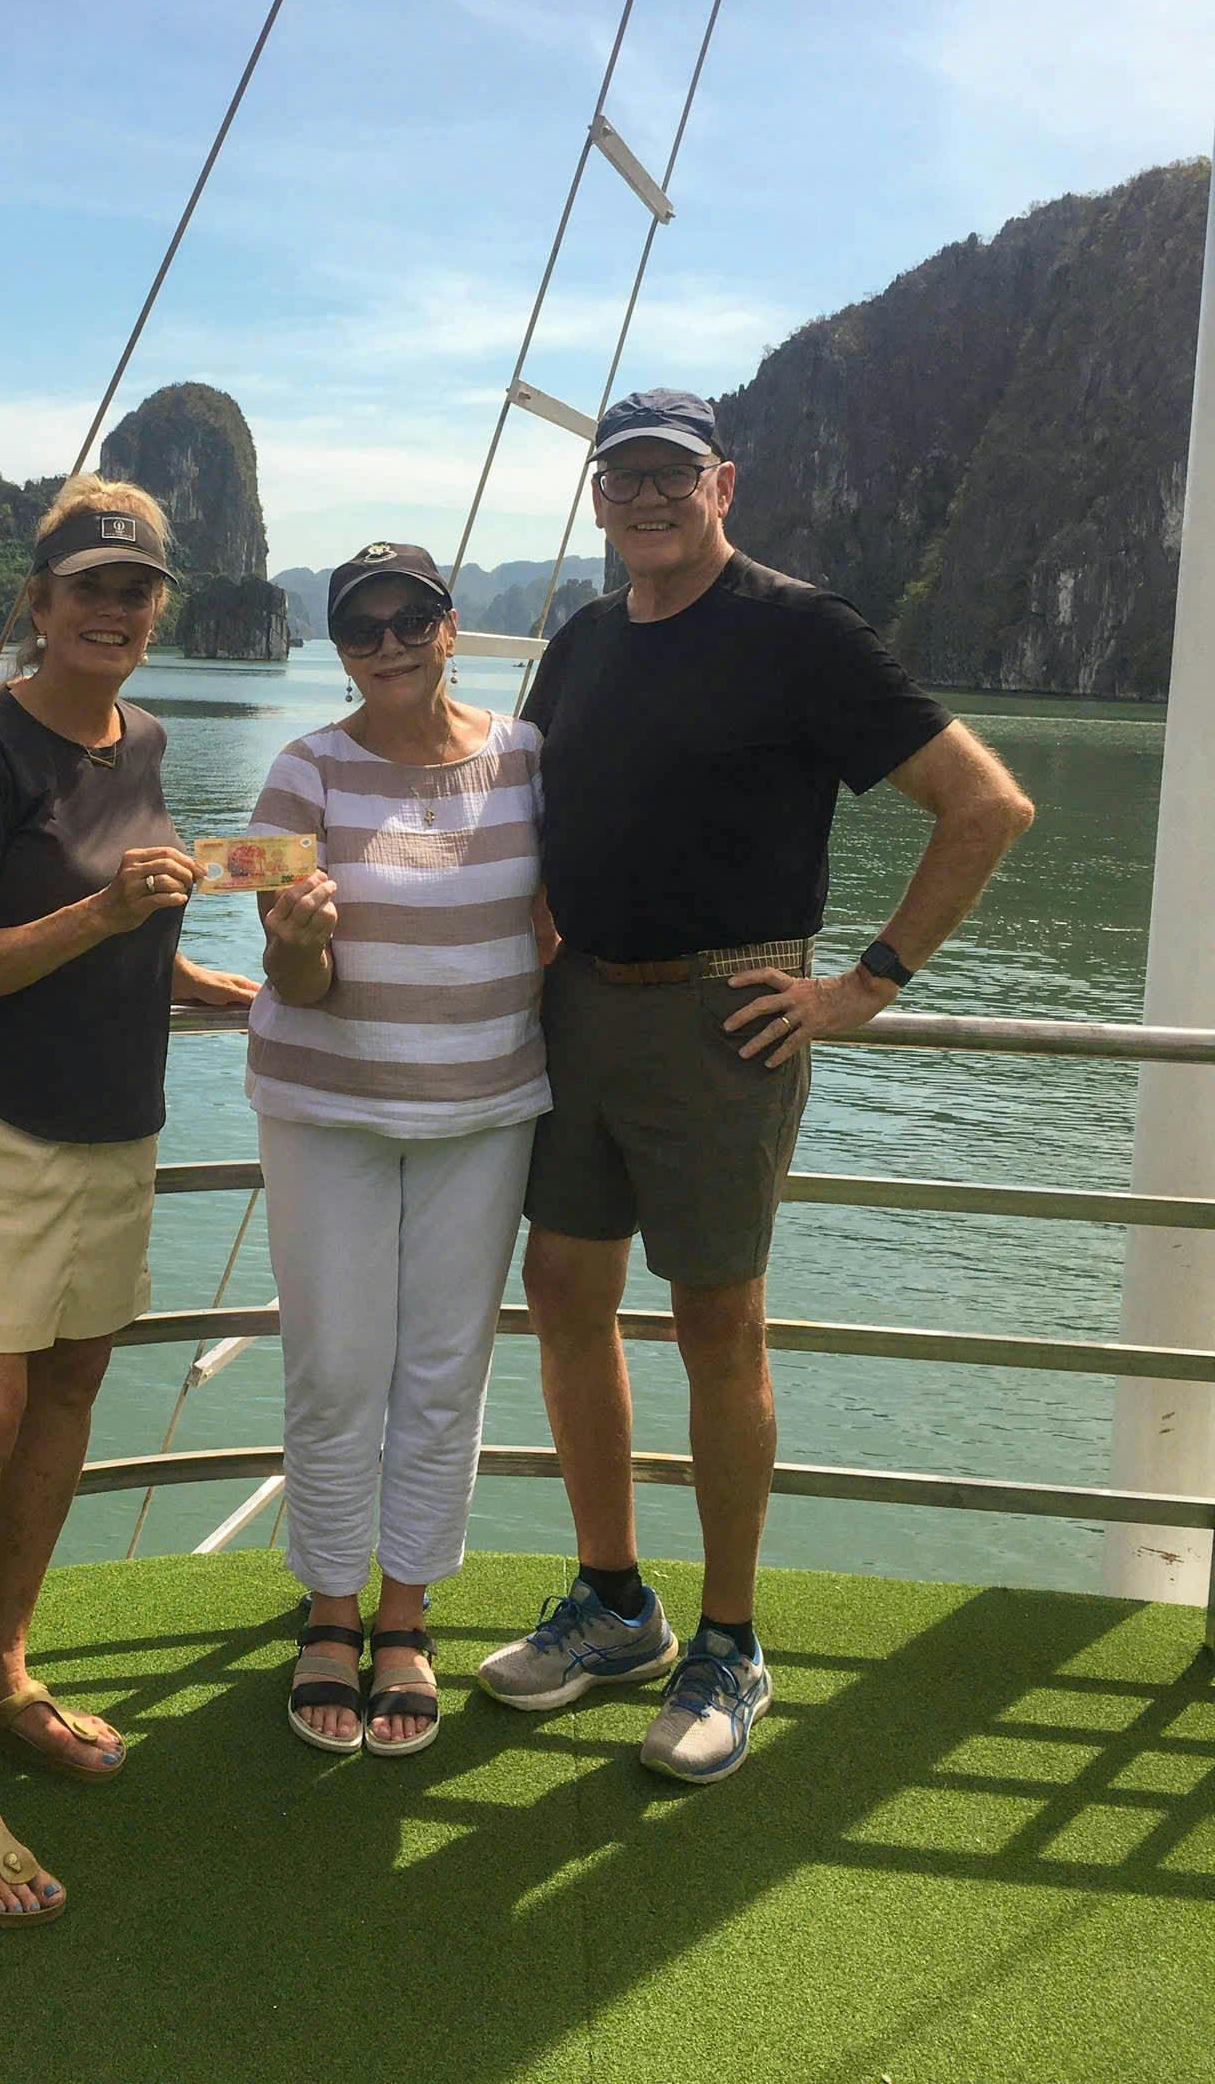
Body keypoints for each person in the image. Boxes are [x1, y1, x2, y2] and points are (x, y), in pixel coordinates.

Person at [477, 388, 1034, 1783]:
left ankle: (731, 1639)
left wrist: (865, 984)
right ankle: (614, 1602)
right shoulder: (583, 646)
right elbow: (539, 842)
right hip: (580, 1005)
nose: (647, 498)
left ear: (721, 482)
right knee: (563, 1298)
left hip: (728, 1018)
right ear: (599, 496)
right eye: (624, 478)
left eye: (673, 474)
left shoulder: (800, 632)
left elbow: (986, 804)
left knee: (718, 1325)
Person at [0, 478, 255, 1927]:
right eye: (86, 587)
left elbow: (126, 895)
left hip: (117, 1117)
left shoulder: (146, 738)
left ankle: (4, 1663)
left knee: (68, 1398)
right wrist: (108, 920)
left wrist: (173, 966)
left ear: (160, 608)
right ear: (36, 605)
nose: (112, 609)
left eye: (138, 589)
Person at [245, 543, 552, 1759]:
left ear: (449, 625)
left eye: (407, 618)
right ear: (338, 646)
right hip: (327, 1109)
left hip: (486, 1107)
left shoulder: (527, 760)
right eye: (358, 627)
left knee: (444, 1367)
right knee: (336, 1362)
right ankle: (330, 1607)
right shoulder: (302, 769)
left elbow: (572, 911)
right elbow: (294, 980)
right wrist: (294, 937)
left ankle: (409, 1615)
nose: (384, 644)